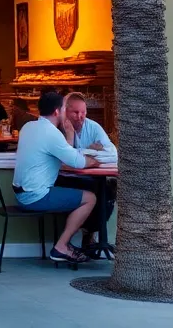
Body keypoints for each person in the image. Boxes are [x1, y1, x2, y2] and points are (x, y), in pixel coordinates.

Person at [12, 91, 100, 263]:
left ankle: (72, 243)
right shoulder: (51, 133)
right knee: (90, 198)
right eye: (64, 108)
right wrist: (95, 161)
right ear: (57, 111)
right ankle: (61, 246)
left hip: (22, 194)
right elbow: (78, 162)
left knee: (75, 189)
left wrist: (69, 135)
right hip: (35, 196)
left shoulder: (29, 127)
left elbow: (63, 154)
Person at [56, 92, 117, 249]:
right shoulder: (57, 129)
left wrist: (83, 153)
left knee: (108, 190)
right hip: (64, 178)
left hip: (90, 177)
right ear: (65, 111)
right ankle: (83, 235)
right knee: (94, 190)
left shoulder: (93, 127)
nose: (80, 117)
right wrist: (88, 150)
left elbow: (111, 152)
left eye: (83, 112)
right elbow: (63, 160)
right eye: (75, 112)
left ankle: (90, 232)